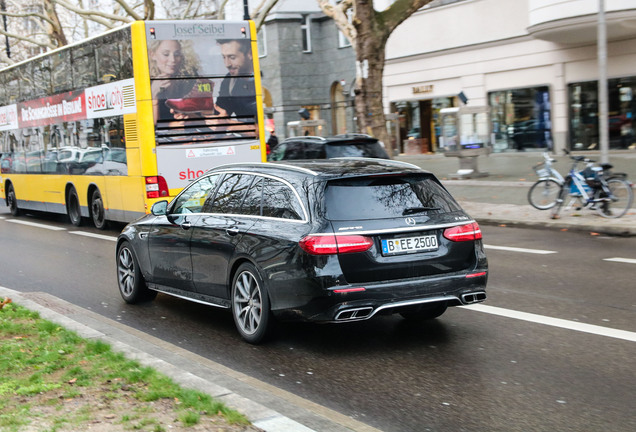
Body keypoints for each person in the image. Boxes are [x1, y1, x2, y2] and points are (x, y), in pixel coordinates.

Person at [148, 39, 213, 123]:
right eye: (166, 54)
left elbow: (206, 119)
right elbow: (151, 127)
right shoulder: (145, 83)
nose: (173, 60)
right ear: (152, 55)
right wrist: (153, 96)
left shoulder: (189, 80)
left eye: (177, 54)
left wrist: (189, 117)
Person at [215, 39, 257, 118]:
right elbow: (221, 111)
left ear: (250, 54)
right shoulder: (229, 80)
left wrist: (234, 126)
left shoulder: (263, 78)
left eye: (232, 57)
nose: (227, 64)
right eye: (224, 57)